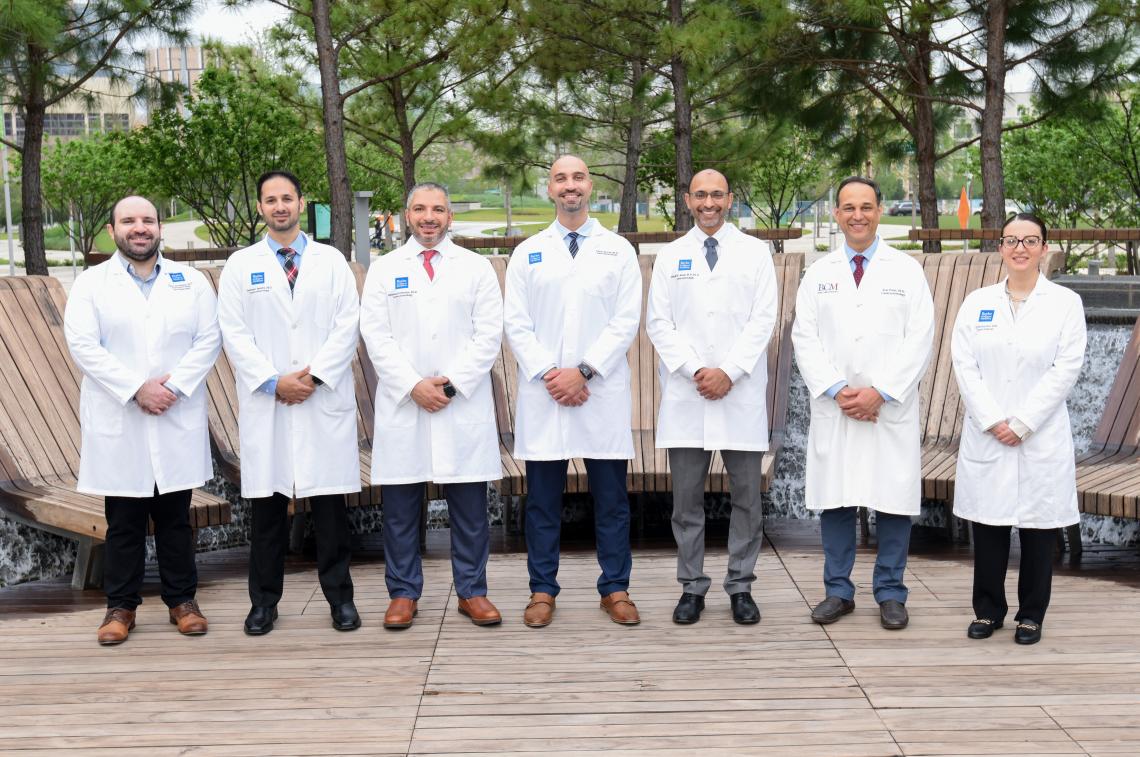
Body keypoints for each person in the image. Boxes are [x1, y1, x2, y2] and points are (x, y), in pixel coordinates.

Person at [64, 195, 221, 645]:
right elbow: (83, 345)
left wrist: (172, 388)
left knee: (175, 517)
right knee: (124, 519)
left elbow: (209, 339)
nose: (140, 227)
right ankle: (121, 607)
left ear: (159, 229)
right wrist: (137, 388)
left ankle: (182, 602)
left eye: (148, 220)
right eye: (129, 221)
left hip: (174, 410)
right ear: (112, 231)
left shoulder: (189, 281)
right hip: (122, 414)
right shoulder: (92, 284)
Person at [218, 170, 361, 636]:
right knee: (267, 513)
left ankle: (341, 600)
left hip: (320, 399)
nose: (280, 206)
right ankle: (263, 604)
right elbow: (234, 333)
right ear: (260, 208)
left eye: (287, 198)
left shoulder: (332, 261)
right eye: (270, 200)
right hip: (270, 401)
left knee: (330, 513)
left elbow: (347, 325)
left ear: (301, 203)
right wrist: (273, 381)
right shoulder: (240, 265)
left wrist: (314, 377)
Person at [504, 155, 643, 627]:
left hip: (598, 391)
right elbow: (516, 324)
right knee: (542, 501)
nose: (570, 186)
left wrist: (583, 371)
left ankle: (615, 588)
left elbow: (626, 320)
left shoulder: (617, 250)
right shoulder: (529, 252)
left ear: (590, 186)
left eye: (578, 177)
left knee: (611, 499)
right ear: (550, 189)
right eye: (561, 178)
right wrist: (551, 373)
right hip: (546, 392)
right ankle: (542, 590)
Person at [791, 175, 934, 630]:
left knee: (891, 499)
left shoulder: (906, 271)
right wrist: (837, 389)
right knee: (837, 499)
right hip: (838, 407)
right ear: (836, 214)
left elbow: (920, 338)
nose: (857, 215)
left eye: (866, 207)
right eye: (848, 207)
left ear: (880, 211)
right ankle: (838, 591)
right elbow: (804, 337)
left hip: (887, 408)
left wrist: (881, 392)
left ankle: (891, 592)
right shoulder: (819, 273)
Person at [360, 182, 504, 629]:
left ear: (449, 217)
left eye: (437, 209)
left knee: (470, 507)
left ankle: (473, 591)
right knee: (401, 506)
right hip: (406, 403)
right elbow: (375, 335)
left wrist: (452, 385)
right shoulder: (385, 269)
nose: (429, 217)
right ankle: (403, 593)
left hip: (460, 403)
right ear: (407, 216)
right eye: (420, 209)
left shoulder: (476, 268)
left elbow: (489, 335)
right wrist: (412, 385)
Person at [646, 169, 778, 625]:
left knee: (747, 498)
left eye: (716, 195)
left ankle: (741, 586)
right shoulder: (671, 256)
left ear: (730, 198)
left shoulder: (755, 253)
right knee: (686, 502)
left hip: (739, 393)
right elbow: (658, 324)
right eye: (700, 195)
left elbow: (764, 320)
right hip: (688, 393)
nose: (708, 203)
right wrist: (697, 370)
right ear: (687, 200)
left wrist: (730, 372)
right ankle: (692, 587)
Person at [951, 213, 1085, 646]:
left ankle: (1031, 615)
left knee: (1038, 528)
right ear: (1001, 248)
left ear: (1045, 248)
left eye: (1030, 240)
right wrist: (994, 420)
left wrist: (1024, 423)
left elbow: (1066, 369)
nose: (1021, 248)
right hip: (989, 431)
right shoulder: (977, 303)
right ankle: (988, 611)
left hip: (1040, 433)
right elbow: (964, 365)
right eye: (1012, 240)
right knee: (989, 525)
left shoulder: (1065, 304)